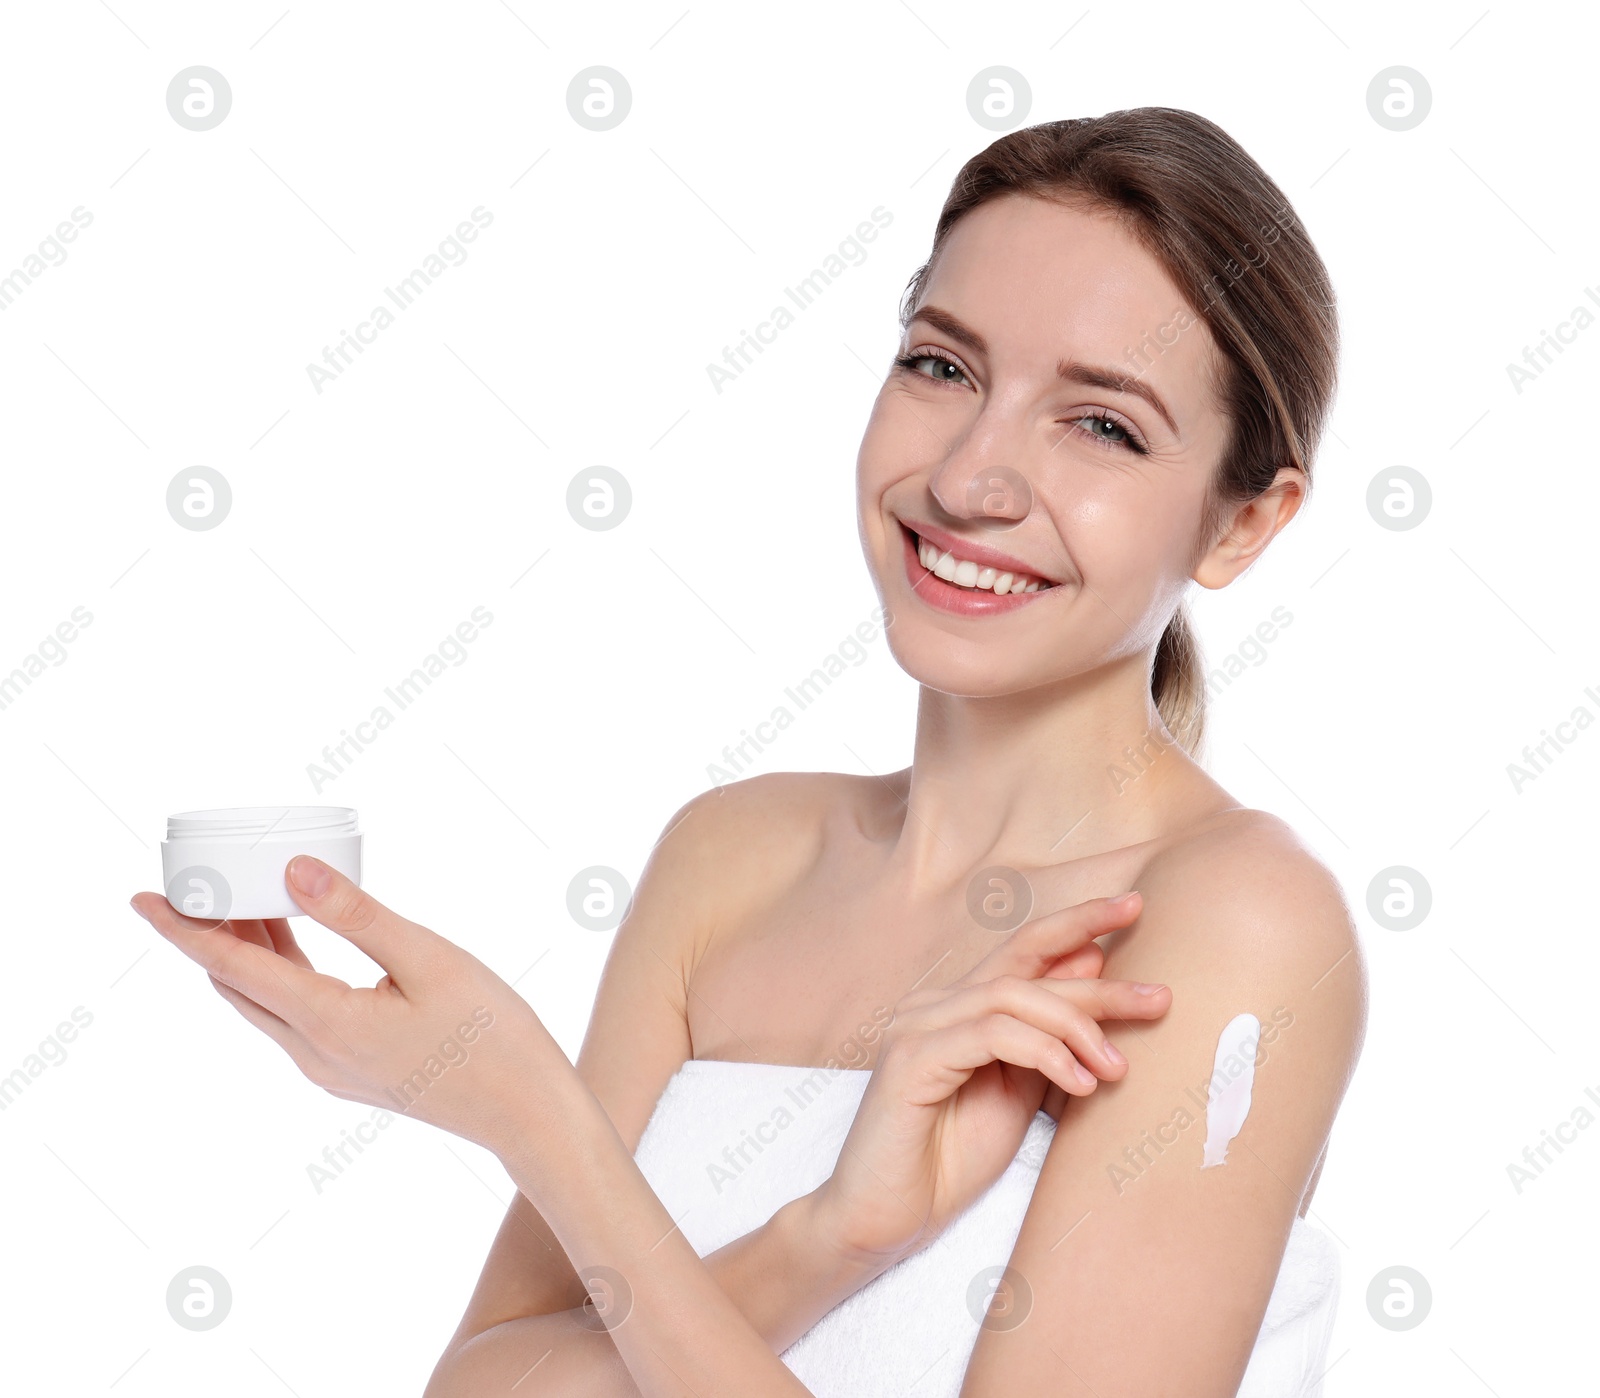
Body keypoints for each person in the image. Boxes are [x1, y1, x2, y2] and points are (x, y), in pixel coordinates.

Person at [132, 108, 1367, 1396]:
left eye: (1101, 425)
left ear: (1244, 525)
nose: (971, 478)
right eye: (943, 368)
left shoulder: (1232, 923)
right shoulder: (735, 856)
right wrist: (831, 1237)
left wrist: (530, 1115)